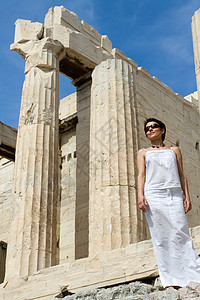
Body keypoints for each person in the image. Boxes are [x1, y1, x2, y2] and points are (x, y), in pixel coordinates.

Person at [137, 117, 200, 289]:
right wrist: (140, 195)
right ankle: (170, 280)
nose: (149, 130)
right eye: (147, 128)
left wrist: (187, 196)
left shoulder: (174, 150)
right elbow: (141, 175)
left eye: (153, 126)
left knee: (181, 232)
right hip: (154, 195)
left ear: (162, 130)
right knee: (161, 237)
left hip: (174, 194)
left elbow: (182, 174)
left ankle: (193, 275)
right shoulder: (143, 152)